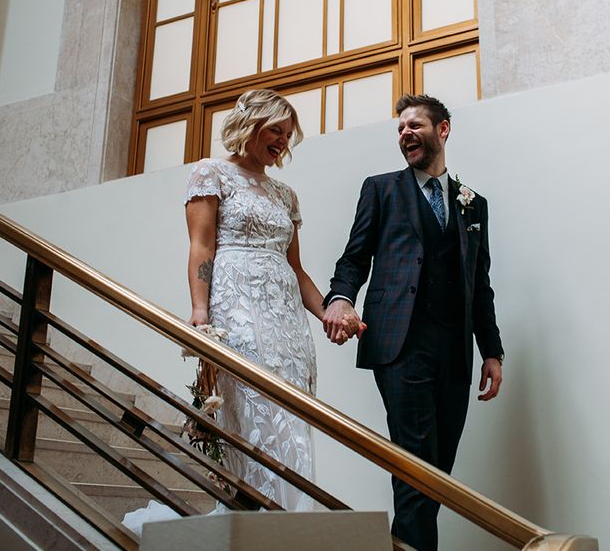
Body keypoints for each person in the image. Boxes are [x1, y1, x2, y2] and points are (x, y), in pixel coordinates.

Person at [322, 94, 505, 550]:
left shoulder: (472, 204)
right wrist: (341, 298)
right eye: (400, 128)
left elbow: (479, 284)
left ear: (443, 130)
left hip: (455, 351)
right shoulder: (380, 189)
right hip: (400, 346)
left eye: (414, 125)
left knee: (438, 470)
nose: (405, 133)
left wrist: (493, 351)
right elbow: (354, 257)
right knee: (416, 463)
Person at [184, 89, 361, 510]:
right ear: (251, 126)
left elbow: (296, 269)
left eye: (288, 134)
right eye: (275, 130)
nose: (282, 141)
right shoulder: (211, 174)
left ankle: (289, 520)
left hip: (286, 318)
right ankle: (257, 513)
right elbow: (202, 246)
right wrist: (200, 312)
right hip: (236, 305)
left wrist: (330, 314)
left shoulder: (285, 195)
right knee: (255, 410)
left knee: (292, 415)